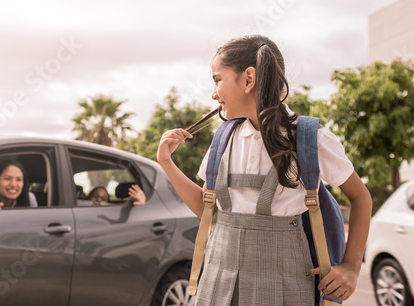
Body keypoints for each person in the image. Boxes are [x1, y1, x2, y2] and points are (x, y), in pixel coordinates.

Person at [157, 35, 372, 305]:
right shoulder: (224, 138)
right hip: (216, 281)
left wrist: (352, 267)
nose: (213, 94)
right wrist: (167, 162)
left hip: (286, 285)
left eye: (217, 79)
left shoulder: (309, 138)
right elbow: (208, 209)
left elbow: (361, 197)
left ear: (248, 79)